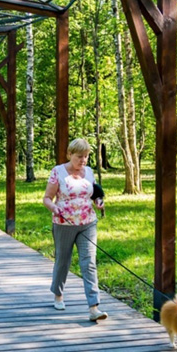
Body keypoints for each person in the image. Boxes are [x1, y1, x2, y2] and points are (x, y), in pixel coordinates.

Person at [43, 138, 108, 322]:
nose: (83, 160)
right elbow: (47, 198)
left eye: (86, 156)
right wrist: (54, 208)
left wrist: (99, 203)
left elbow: (94, 194)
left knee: (89, 263)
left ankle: (94, 307)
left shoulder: (88, 172)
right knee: (63, 260)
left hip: (87, 222)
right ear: (70, 154)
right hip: (64, 224)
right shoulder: (58, 172)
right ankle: (58, 294)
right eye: (80, 156)